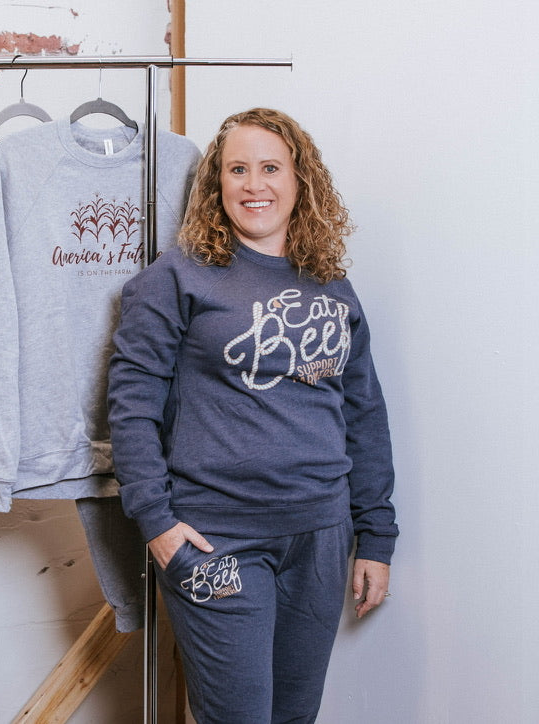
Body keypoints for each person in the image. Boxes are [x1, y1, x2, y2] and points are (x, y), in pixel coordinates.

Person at [107, 108, 398, 723]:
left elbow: (364, 413)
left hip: (319, 535)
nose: (253, 184)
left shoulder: (332, 286)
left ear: (300, 182)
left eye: (271, 168)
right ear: (216, 184)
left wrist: (376, 536)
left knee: (293, 715)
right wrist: (157, 525)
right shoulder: (176, 278)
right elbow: (130, 407)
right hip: (218, 539)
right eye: (237, 169)